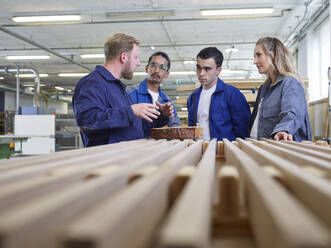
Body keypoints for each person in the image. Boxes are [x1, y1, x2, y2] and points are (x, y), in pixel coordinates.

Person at [73, 33, 173, 147]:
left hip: (124, 158)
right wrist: (131, 112)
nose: (138, 63)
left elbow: (136, 129)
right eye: (135, 57)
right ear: (124, 57)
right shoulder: (92, 83)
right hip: (106, 160)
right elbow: (87, 121)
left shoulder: (117, 87)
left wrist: (161, 116)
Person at [249, 37, 312, 141]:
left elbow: (292, 112)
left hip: (282, 151)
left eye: (259, 55)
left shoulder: (290, 83)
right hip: (262, 148)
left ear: (273, 55)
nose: (255, 61)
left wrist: (284, 130)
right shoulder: (263, 89)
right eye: (254, 56)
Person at [187, 47, 251, 141]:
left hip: (223, 153)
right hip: (198, 151)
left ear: (218, 70)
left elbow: (243, 131)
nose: (201, 73)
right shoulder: (193, 97)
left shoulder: (232, 95)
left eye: (207, 69)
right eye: (198, 68)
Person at [127, 51, 181, 137]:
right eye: (153, 65)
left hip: (158, 148)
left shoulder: (167, 102)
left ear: (167, 74)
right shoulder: (129, 93)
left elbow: (175, 127)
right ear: (146, 68)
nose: (156, 70)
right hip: (132, 147)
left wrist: (165, 117)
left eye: (162, 67)